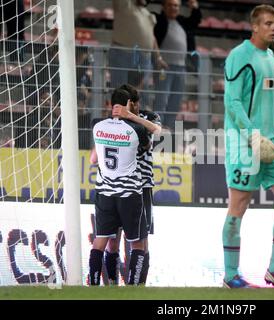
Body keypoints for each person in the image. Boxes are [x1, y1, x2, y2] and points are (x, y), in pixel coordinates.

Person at [222, 4, 274, 289]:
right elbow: (232, 102)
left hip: (272, 143)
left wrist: (273, 135)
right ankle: (231, 275)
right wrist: (253, 135)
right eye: (268, 23)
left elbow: (269, 102)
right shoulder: (239, 56)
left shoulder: (271, 57)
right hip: (244, 144)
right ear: (254, 26)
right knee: (238, 206)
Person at [88, 88, 150, 285]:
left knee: (102, 241)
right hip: (129, 192)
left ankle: (96, 283)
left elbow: (93, 159)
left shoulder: (97, 126)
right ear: (128, 106)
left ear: (110, 104)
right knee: (137, 242)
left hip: (105, 191)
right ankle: (132, 285)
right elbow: (150, 141)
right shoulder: (136, 129)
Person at [102, 84, 162, 285]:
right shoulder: (110, 123)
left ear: (135, 105)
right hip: (114, 186)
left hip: (142, 186)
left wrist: (130, 116)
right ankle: (111, 282)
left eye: (131, 105)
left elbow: (157, 133)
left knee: (141, 241)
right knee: (113, 239)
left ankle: (138, 285)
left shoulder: (148, 118)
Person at [153, 0, 202, 130]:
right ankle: (157, 128)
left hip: (181, 68)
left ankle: (168, 127)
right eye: (169, 5)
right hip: (165, 67)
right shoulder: (158, 21)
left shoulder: (181, 22)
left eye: (176, 5)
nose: (173, 8)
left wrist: (195, 8)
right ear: (163, 6)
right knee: (162, 99)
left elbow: (195, 21)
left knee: (176, 100)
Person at [110, 0, 167, 108]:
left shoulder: (148, 14)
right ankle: (118, 118)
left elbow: (152, 37)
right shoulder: (124, 4)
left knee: (143, 92)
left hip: (145, 57)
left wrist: (158, 57)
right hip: (122, 52)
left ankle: (141, 118)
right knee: (120, 90)